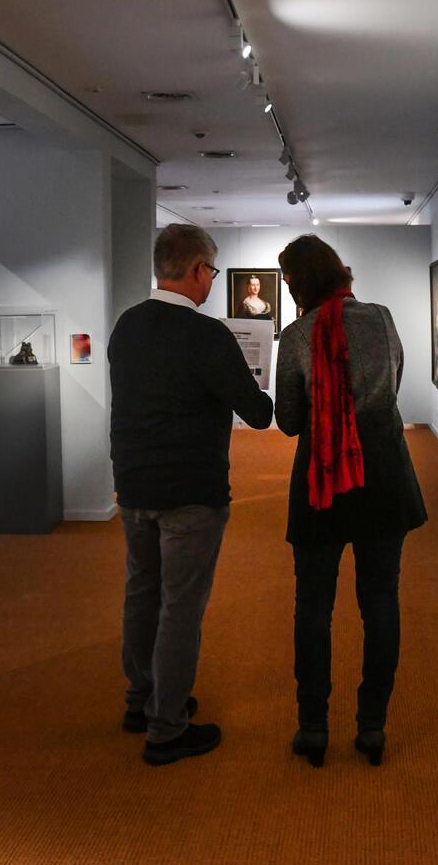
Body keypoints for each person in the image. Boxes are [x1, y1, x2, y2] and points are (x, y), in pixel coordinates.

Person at [109, 223, 274, 766]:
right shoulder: (208, 336)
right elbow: (257, 411)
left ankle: (142, 699)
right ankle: (166, 727)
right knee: (180, 607)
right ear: (200, 270)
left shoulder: (127, 326)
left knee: (142, 592)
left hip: (133, 485)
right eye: (213, 270)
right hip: (190, 492)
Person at [274, 235, 426, 767]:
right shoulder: (381, 317)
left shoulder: (295, 336)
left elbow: (289, 421)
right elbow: (394, 386)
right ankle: (372, 727)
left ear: (298, 282)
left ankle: (313, 728)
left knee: (313, 608)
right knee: (380, 602)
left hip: (321, 480)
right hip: (382, 471)